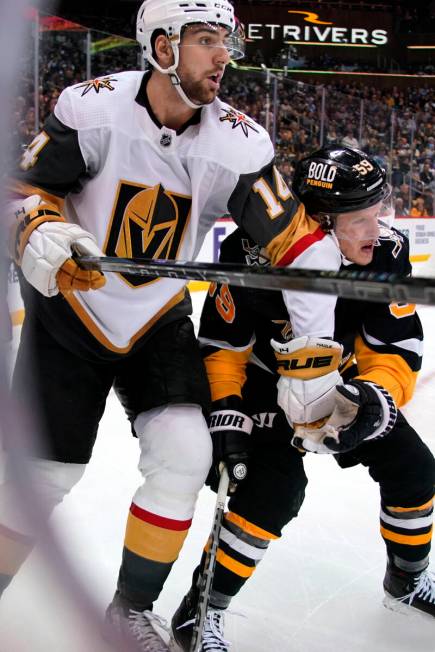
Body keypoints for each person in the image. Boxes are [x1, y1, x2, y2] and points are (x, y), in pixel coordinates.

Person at [0, 2, 344, 650]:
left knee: (186, 455)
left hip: (157, 315)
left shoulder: (238, 143)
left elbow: (301, 249)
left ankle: (130, 607)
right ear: (161, 46)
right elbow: (23, 188)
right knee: (44, 477)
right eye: (207, 40)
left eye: (226, 40)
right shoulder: (90, 106)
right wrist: (38, 228)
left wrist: (312, 354)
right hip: (69, 311)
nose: (224, 56)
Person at [171, 146, 435, 652]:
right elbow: (225, 347)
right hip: (265, 386)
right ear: (317, 222)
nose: (374, 231)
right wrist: (227, 410)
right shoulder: (250, 251)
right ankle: (200, 610)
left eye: (377, 214)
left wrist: (377, 396)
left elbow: (395, 341)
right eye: (359, 220)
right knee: (273, 493)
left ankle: (406, 578)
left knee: (415, 466)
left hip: (345, 383)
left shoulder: (387, 251)